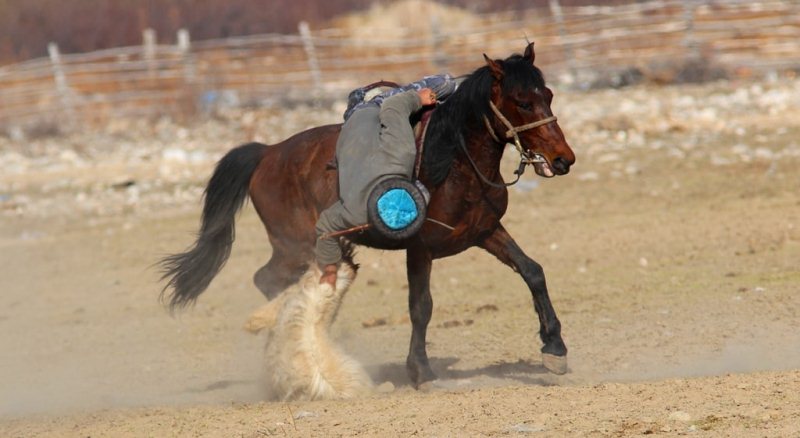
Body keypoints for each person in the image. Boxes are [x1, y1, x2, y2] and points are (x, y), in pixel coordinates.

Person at [315, 74, 457, 286]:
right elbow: (392, 106)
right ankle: (360, 100)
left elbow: (395, 106)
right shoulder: (354, 213)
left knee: (446, 84)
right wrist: (330, 269)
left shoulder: (400, 156)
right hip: (362, 117)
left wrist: (420, 98)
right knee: (447, 84)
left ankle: (362, 100)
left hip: (364, 115)